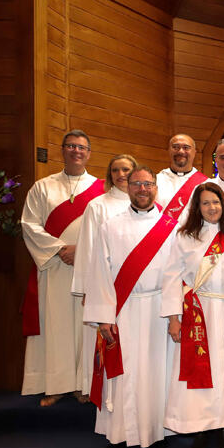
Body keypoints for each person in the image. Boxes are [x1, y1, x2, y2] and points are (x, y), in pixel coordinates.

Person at [83, 166, 177, 448]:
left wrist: (175, 313)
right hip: (122, 310)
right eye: (136, 184)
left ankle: (156, 432)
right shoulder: (110, 225)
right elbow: (99, 272)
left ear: (155, 189)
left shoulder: (171, 226)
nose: (142, 189)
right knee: (121, 374)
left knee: (156, 373)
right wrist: (103, 318)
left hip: (159, 311)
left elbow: (177, 273)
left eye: (148, 184)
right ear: (128, 187)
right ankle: (118, 435)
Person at [161, 183, 224, 448]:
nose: (212, 207)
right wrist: (173, 318)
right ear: (197, 207)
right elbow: (172, 277)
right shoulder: (186, 237)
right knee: (203, 371)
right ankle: (201, 428)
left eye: (216, 202)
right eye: (205, 203)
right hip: (199, 313)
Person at [21, 129, 104, 406]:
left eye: (81, 147)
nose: (76, 151)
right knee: (57, 326)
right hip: (55, 268)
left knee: (85, 327)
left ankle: (83, 385)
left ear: (89, 153)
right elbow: (29, 224)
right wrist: (60, 249)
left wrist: (81, 251)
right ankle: (55, 385)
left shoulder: (101, 188)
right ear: (63, 150)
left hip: (88, 268)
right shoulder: (43, 187)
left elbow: (109, 229)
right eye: (70, 146)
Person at [71, 154, 136, 397]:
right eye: (116, 170)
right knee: (101, 338)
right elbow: (87, 248)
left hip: (134, 285)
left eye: (126, 170)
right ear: (110, 175)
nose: (121, 175)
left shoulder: (146, 203)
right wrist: (88, 288)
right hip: (105, 283)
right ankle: (95, 389)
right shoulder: (98, 205)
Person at [156, 134, 208, 220]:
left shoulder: (205, 183)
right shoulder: (156, 180)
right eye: (175, 147)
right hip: (162, 233)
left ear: (194, 152)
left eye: (186, 147)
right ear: (169, 150)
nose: (180, 151)